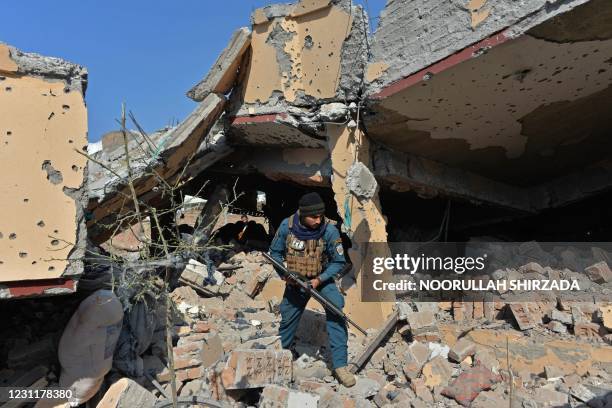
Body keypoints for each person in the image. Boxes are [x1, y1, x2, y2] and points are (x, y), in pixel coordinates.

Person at [268, 192, 356, 387]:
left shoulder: (329, 231)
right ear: (302, 214)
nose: (318, 220)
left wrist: (320, 279)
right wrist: (284, 276)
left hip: (321, 279)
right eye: (313, 217)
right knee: (288, 318)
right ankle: (280, 356)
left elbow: (339, 261)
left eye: (320, 216)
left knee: (336, 313)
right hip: (296, 281)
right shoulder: (287, 226)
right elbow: (274, 253)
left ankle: (340, 365)